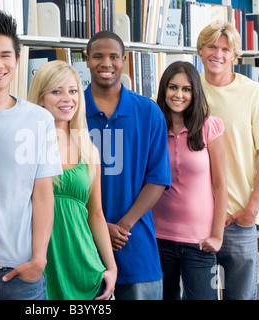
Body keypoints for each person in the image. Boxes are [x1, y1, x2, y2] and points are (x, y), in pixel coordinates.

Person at [0, 9, 62, 300]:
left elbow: (43, 194)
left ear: (18, 59)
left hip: (22, 272)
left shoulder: (39, 119)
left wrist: (39, 259)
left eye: (6, 55)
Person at [197, 21, 259, 300]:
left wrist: (251, 210)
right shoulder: (186, 89)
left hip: (238, 220)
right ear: (200, 50)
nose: (217, 54)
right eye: (211, 46)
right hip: (195, 220)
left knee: (241, 296)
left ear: (235, 55)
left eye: (225, 49)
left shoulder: (255, 93)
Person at [84, 30, 171, 300]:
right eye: (97, 56)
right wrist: (99, 228)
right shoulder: (70, 111)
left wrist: (121, 225)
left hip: (134, 246)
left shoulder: (148, 112)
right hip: (83, 247)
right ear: (86, 59)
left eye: (113, 57)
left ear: (125, 60)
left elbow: (157, 178)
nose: (106, 63)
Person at [28, 60, 117, 300]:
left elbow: (96, 214)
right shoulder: (27, 145)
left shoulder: (88, 149)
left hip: (84, 267)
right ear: (40, 99)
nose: (67, 98)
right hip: (39, 267)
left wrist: (111, 267)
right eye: (56, 91)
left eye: (73, 91)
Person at [152, 61, 228, 300]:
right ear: (164, 89)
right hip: (158, 238)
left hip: (200, 241)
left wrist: (217, 236)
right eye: (173, 87)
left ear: (195, 93)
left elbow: (221, 185)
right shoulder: (154, 128)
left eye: (186, 89)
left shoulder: (209, 126)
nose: (179, 94)